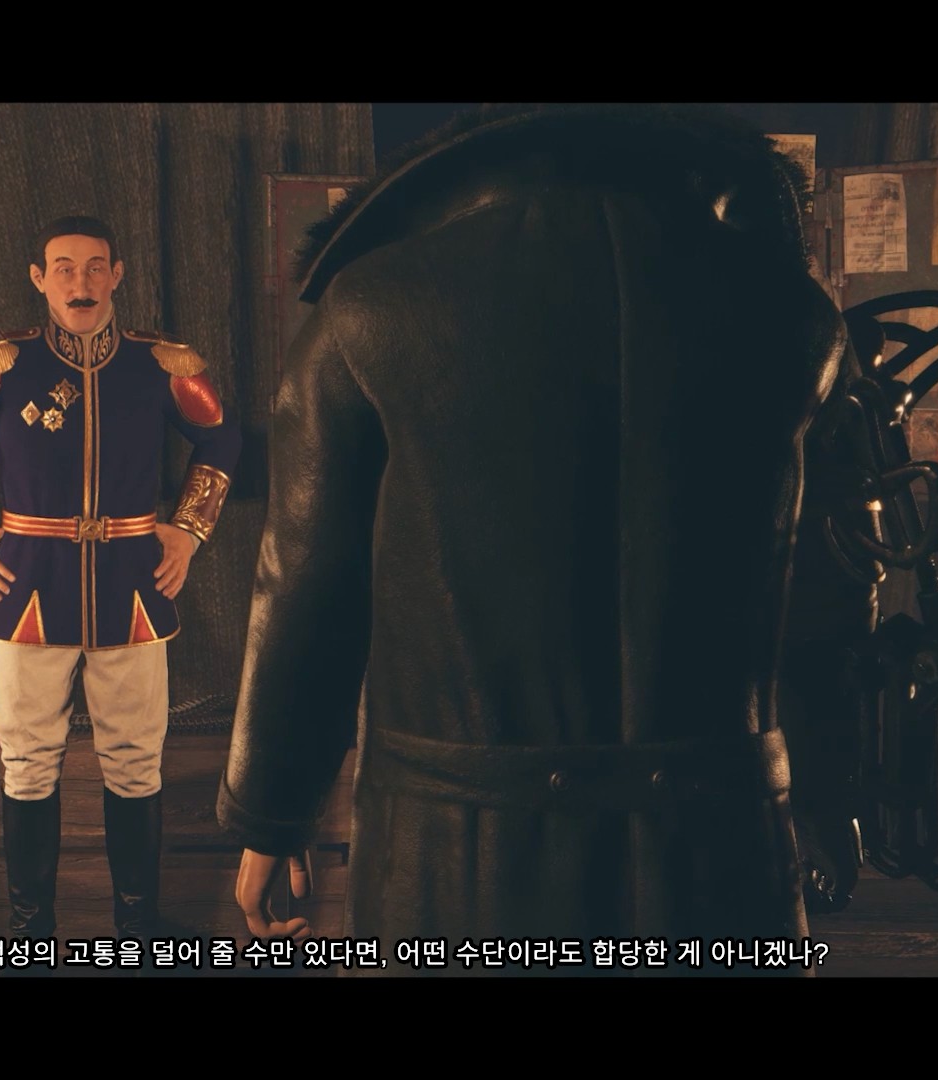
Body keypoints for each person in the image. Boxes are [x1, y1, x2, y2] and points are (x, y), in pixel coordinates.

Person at [217, 104, 863, 974]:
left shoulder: (371, 305)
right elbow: (828, 593)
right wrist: (831, 797)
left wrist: (273, 813)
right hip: (719, 846)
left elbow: (306, 581)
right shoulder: (793, 311)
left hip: (457, 859)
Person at [0, 215, 241, 939]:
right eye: (63, 268)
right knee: (26, 764)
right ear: (38, 278)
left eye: (94, 267)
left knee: (136, 765)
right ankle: (30, 933)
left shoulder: (162, 363)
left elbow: (221, 436)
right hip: (26, 589)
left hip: (134, 588)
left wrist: (190, 527)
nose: (79, 283)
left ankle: (138, 934)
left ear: (117, 275)